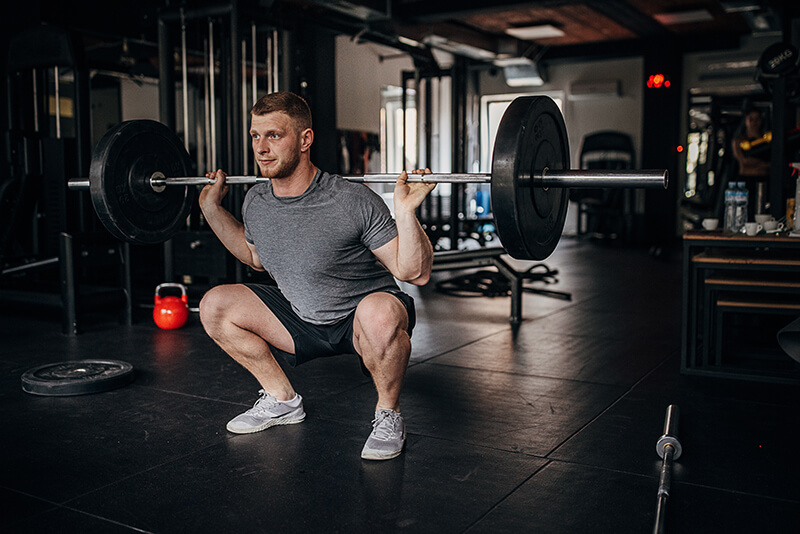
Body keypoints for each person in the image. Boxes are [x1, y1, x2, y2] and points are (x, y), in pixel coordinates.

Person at [198, 91, 436, 461]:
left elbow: (414, 274)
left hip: (361, 319)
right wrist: (212, 209)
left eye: (274, 135)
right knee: (214, 305)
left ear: (305, 140)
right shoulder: (256, 202)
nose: (261, 148)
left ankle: (388, 414)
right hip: (301, 318)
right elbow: (256, 259)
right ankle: (282, 400)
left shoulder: (351, 200)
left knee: (380, 314)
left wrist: (405, 212)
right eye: (255, 136)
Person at [731, 106, 770, 215]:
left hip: (764, 181)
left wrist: (759, 164)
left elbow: (772, 165)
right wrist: (762, 164)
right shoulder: (739, 141)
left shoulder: (767, 141)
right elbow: (745, 162)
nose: (754, 122)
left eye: (757, 119)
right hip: (746, 181)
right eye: (751, 119)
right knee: (744, 212)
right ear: (746, 121)